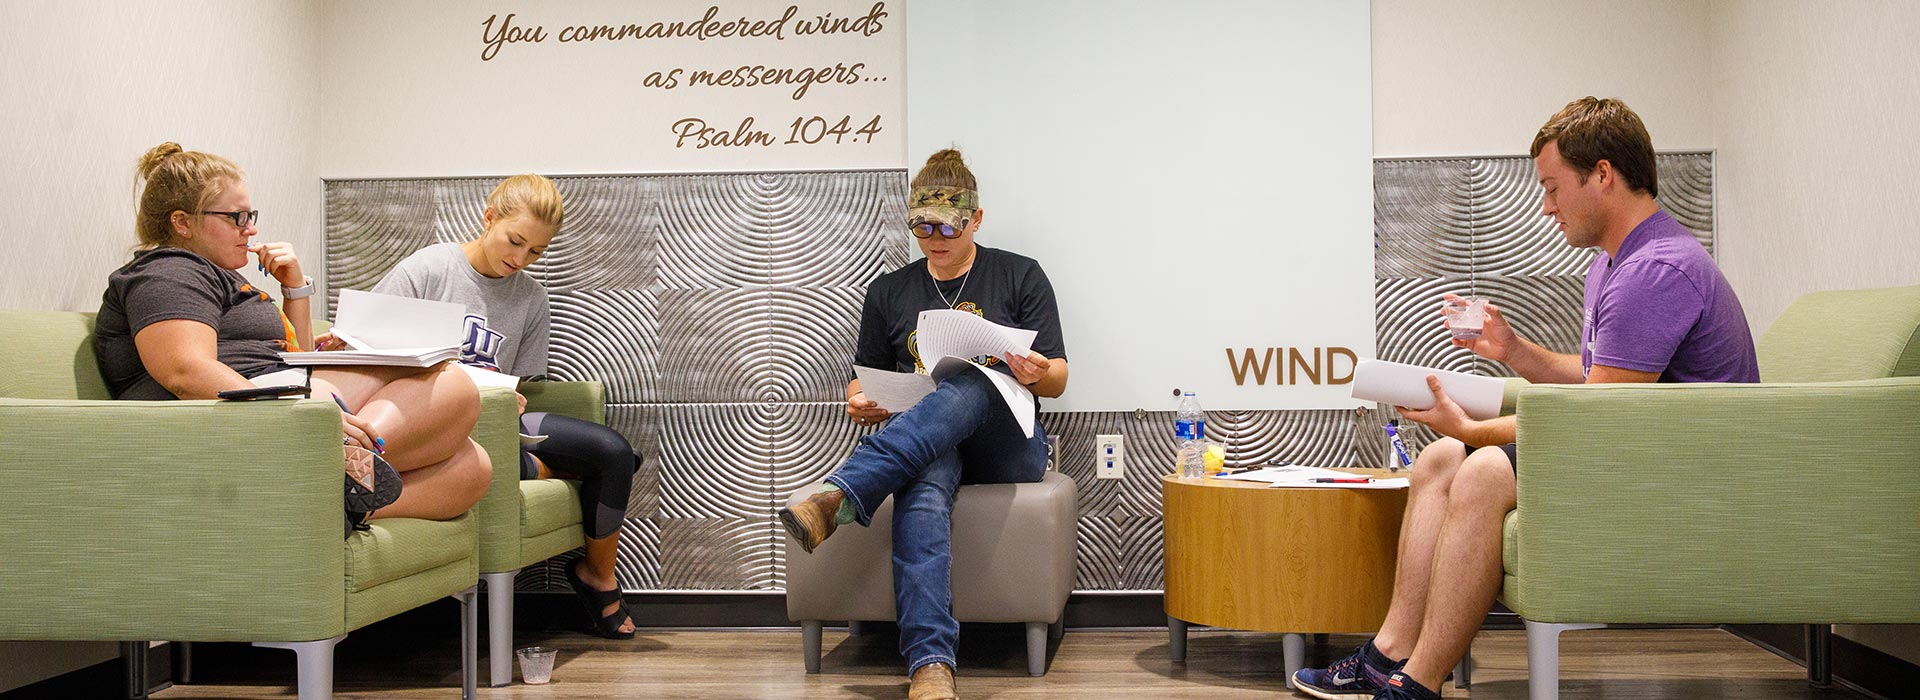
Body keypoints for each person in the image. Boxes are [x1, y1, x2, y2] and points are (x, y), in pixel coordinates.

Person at [1291, 97, 1761, 700]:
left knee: (1483, 468)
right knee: (1437, 461)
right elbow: (1599, 380)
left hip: (1684, 477)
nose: (1546, 206)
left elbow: (1593, 418)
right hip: (1639, 451)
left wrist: (1470, 429)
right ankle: (1389, 656)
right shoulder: (1615, 264)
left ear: (1602, 175)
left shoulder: (1656, 271)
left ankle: (1419, 684)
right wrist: (1513, 349)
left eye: (1553, 187)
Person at [778, 149, 1068, 700]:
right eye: (922, 227)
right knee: (925, 477)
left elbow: (1058, 378)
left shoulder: (1020, 273)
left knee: (977, 379)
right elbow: (861, 380)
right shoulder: (888, 291)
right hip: (930, 444)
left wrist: (1035, 372)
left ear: (975, 219)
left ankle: (843, 493)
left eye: (948, 227)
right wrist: (859, 400)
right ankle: (931, 665)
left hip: (1009, 445)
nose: (935, 239)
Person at [96, 142, 492, 527]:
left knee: (472, 467)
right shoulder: (168, 270)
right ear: (182, 222)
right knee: (453, 387)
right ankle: (333, 458)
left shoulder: (217, 275)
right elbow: (186, 371)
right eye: (237, 217)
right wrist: (308, 420)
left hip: (275, 400)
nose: (251, 229)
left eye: (251, 215)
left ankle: (334, 506)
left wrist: (295, 288)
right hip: (240, 423)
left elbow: (297, 356)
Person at [346, 173, 642, 639]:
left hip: (497, 417)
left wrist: (512, 396)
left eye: (536, 251)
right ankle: (544, 471)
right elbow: (363, 349)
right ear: (489, 217)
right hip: (429, 417)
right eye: (515, 241)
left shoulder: (531, 297)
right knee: (596, 465)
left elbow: (517, 381)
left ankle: (595, 575)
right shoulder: (429, 269)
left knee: (616, 453)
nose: (519, 259)